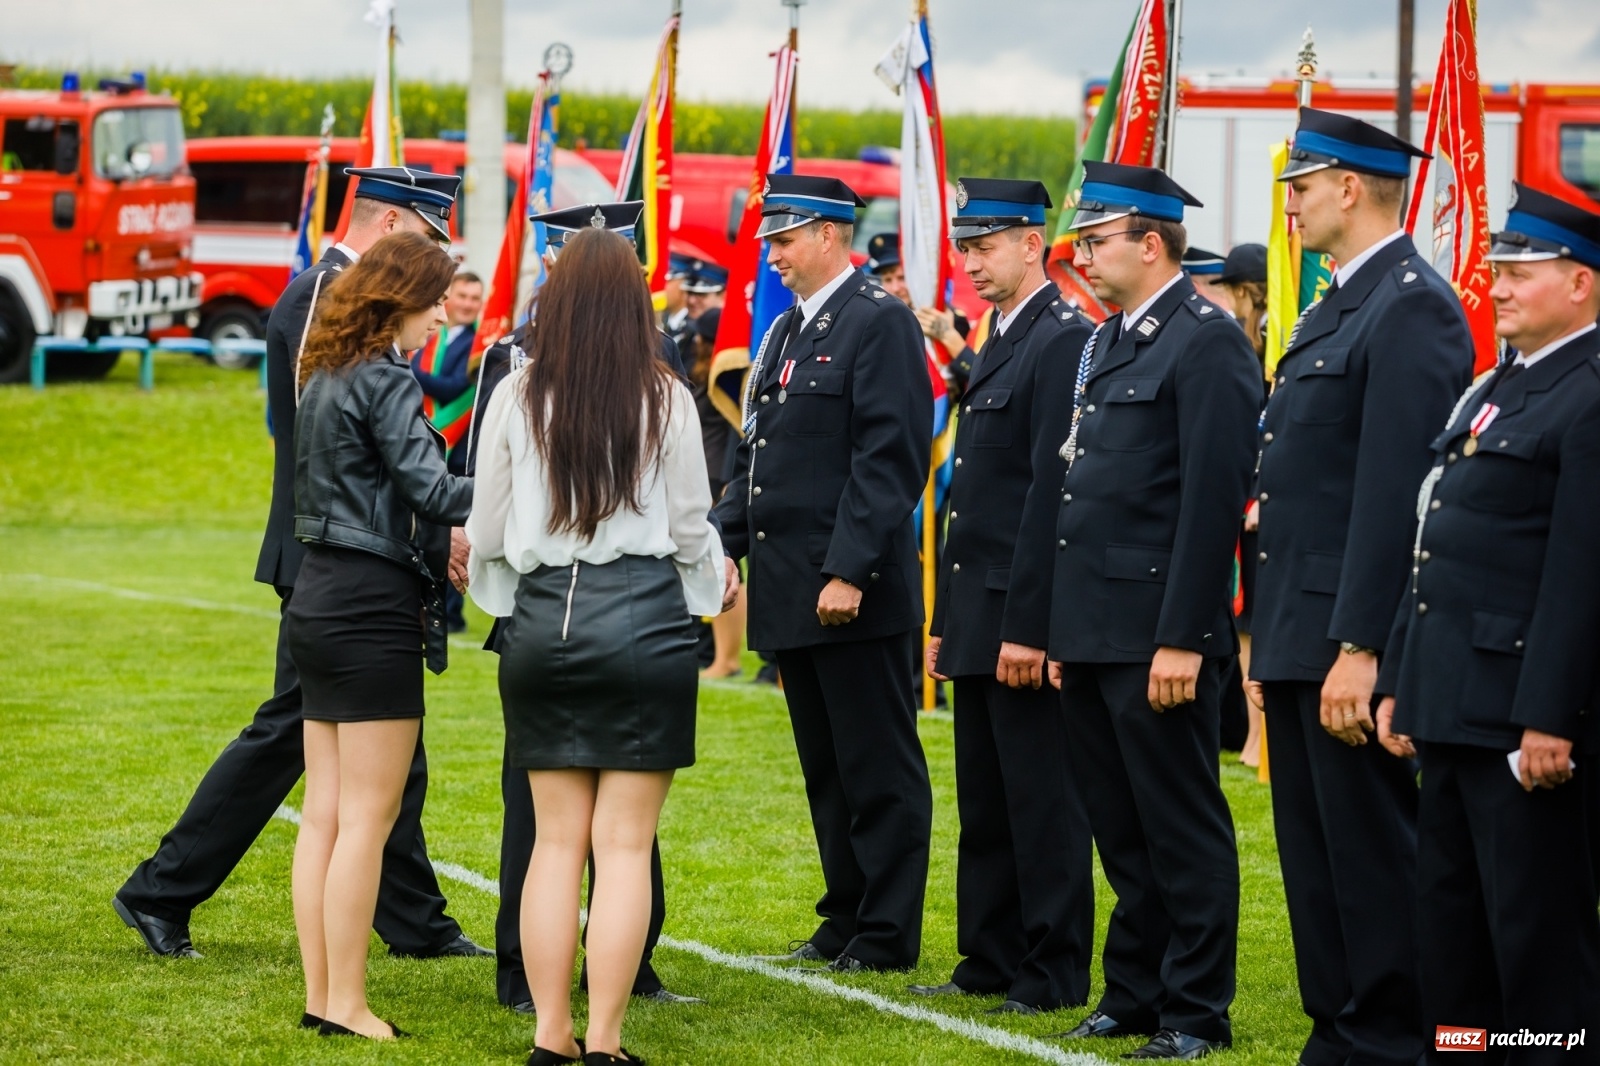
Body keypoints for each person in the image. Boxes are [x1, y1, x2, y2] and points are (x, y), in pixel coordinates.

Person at [113, 166, 487, 965]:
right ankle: (161, 888)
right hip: (337, 547)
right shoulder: (328, 293)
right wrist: (432, 522)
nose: (428, 275)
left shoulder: (333, 288)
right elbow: (346, 450)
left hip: (351, 544)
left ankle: (416, 922)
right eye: (425, 242)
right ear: (391, 227)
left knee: (384, 743)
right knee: (299, 733)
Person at [467, 225, 726, 1066]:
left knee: (554, 842)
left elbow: (488, 531)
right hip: (645, 617)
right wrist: (702, 605)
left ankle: (554, 1037)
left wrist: (512, 603)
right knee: (621, 848)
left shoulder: (515, 393)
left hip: (545, 620)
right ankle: (604, 1040)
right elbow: (692, 531)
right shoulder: (667, 398)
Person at [1250, 108, 1474, 1066]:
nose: (1288, 203)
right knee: (1316, 857)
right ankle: (1338, 1029)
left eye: (1301, 186)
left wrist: (1361, 648)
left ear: (1349, 187)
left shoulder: (1411, 304)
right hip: (1302, 629)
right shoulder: (1341, 299)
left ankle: (1390, 1038)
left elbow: (1395, 498)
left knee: (1373, 856)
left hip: (1349, 638)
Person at [1376, 183, 1600, 1061]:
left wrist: (1550, 717)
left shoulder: (1585, 396)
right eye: (1496, 270)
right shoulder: (1494, 388)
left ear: (1580, 282)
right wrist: (1401, 681)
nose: (1496, 286)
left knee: (1536, 939)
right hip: (1451, 705)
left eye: (1519, 271)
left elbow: (1581, 575)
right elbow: (1434, 542)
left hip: (1520, 720)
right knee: (1451, 927)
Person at [1045, 161, 1258, 1059]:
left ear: (1149, 242)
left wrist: (1184, 638)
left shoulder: (1203, 339)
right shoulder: (1115, 339)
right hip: (1095, 630)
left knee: (1180, 826)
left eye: (1094, 241)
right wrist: (1064, 633)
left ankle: (1194, 1010)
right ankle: (1133, 991)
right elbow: (1083, 496)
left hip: (1158, 636)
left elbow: (1211, 504)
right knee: (1120, 826)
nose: (1081, 255)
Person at [717, 173, 934, 973]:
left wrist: (848, 569)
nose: (773, 255)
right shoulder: (783, 334)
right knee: (828, 771)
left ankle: (885, 933)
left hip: (851, 595)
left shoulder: (878, 322)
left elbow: (889, 461)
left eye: (785, 239)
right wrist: (719, 544)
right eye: (770, 240)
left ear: (831, 236)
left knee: (878, 769)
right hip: (790, 592)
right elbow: (757, 460)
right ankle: (843, 916)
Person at [910, 177, 1095, 1014]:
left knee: (1041, 799)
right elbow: (972, 499)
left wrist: (1030, 625)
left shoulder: (1060, 340)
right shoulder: (1000, 334)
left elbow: (1049, 496)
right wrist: (949, 623)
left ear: (1034, 243)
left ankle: (1050, 969)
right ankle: (987, 955)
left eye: (987, 247)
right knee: (986, 795)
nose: (973, 263)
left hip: (1021, 610)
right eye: (967, 248)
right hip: (978, 602)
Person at [287, 230, 474, 1039]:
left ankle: (322, 996)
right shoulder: (386, 376)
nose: (439, 319)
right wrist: (522, 479)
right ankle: (347, 1002)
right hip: (369, 603)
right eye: (434, 302)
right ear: (401, 299)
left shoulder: (325, 369)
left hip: (319, 597)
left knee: (326, 812)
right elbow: (431, 490)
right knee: (366, 815)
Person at [1216, 242, 1270, 768]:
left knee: (1257, 622)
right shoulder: (1242, 345)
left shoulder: (1274, 343)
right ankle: (1254, 736)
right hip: (1246, 499)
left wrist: (1258, 493)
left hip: (1263, 503)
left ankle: (1263, 737)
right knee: (1245, 624)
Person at [415, 270, 485, 633]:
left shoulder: (478, 344)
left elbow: (453, 387)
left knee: (456, 532)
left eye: (476, 298)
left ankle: (451, 610)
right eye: (463, 296)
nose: (468, 304)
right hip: (426, 444)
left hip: (457, 450)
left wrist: (409, 372)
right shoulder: (432, 336)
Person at [683, 306, 747, 679]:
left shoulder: (725, 372)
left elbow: (730, 430)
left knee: (725, 563)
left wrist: (728, 481)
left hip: (716, 479)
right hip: (696, 475)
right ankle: (716, 653)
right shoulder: (701, 370)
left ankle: (728, 658)